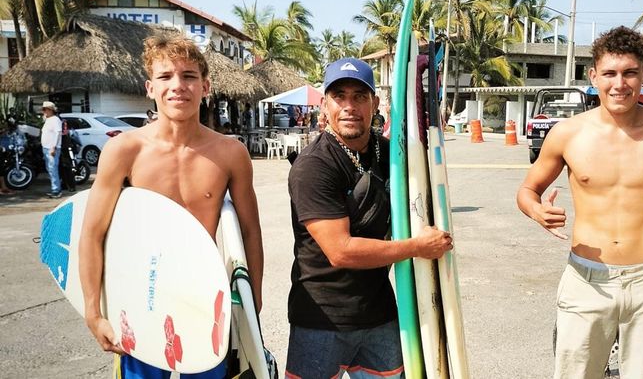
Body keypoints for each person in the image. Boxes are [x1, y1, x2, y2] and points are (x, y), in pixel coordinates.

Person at [516, 26, 643, 378]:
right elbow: (527, 190)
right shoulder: (567, 133)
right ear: (593, 75)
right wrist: (537, 210)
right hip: (586, 280)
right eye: (609, 73)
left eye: (629, 73)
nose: (619, 84)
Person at [78, 34, 264, 378]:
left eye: (189, 76)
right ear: (150, 87)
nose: (178, 86)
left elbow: (251, 231)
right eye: (165, 77)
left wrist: (254, 300)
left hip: (203, 297)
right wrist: (93, 311)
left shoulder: (230, 153)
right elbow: (93, 233)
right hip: (139, 299)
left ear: (205, 86)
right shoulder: (124, 151)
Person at [285, 57, 452, 378]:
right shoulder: (313, 166)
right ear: (324, 105)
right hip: (322, 319)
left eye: (360, 97)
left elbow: (420, 205)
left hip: (380, 314)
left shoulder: (394, 155)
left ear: (375, 103)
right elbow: (341, 250)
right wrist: (417, 247)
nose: (349, 106)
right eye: (339, 97)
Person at [40, 101, 62, 198]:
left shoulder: (55, 119)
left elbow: (58, 133)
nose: (43, 111)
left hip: (52, 148)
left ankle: (56, 190)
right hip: (46, 148)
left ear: (50, 110)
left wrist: (54, 146)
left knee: (52, 169)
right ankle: (55, 187)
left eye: (45, 109)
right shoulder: (48, 120)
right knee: (50, 169)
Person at [58, 119, 77, 193]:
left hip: (65, 150)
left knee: (67, 168)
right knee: (62, 169)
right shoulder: (62, 132)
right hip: (63, 150)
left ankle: (71, 186)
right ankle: (65, 184)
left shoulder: (67, 134)